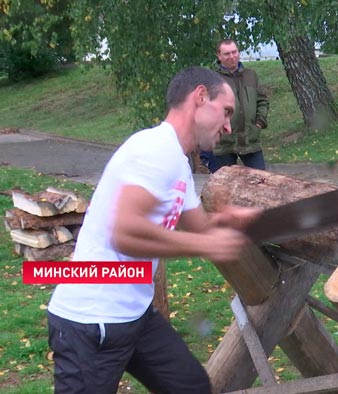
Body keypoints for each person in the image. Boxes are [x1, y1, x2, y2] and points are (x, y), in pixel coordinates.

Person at [47, 66, 261, 393]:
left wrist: (228, 221)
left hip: (134, 316)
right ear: (200, 97)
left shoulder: (177, 161)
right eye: (226, 111)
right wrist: (204, 246)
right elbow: (124, 234)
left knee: (190, 386)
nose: (229, 126)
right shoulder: (154, 149)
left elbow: (200, 227)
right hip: (91, 324)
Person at [200, 39, 269, 172]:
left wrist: (259, 124)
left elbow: (262, 101)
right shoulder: (211, 79)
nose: (232, 57)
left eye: (234, 52)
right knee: (223, 188)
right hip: (223, 144)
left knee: (260, 183)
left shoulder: (251, 75)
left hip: (250, 140)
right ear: (218, 55)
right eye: (227, 54)